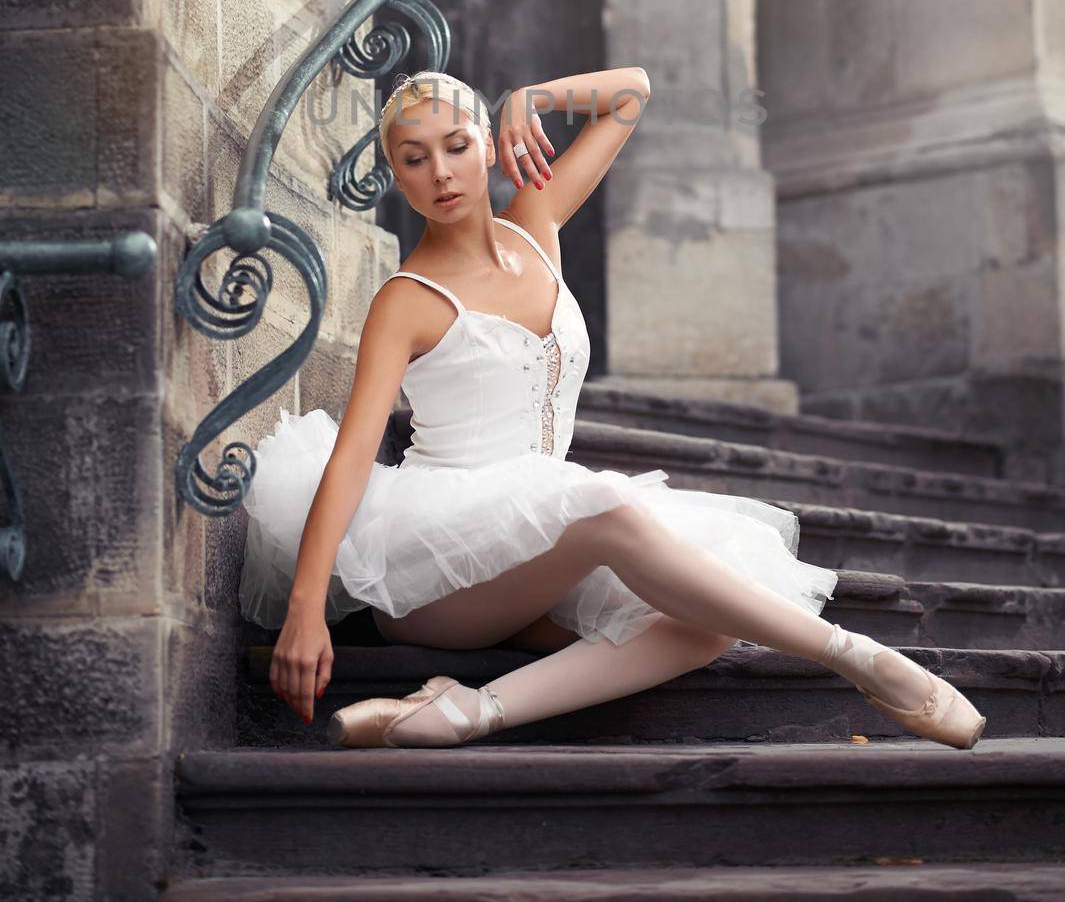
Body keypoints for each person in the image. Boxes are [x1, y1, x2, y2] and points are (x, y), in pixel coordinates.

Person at [238, 68, 987, 751]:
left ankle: (462, 713)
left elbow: (630, 94)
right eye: (413, 157)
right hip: (437, 568)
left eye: (456, 145)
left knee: (704, 617)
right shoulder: (406, 300)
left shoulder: (534, 227)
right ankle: (864, 661)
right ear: (395, 177)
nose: (439, 172)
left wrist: (531, 101)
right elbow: (351, 458)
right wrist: (306, 607)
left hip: (541, 543)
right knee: (604, 503)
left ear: (489, 148)